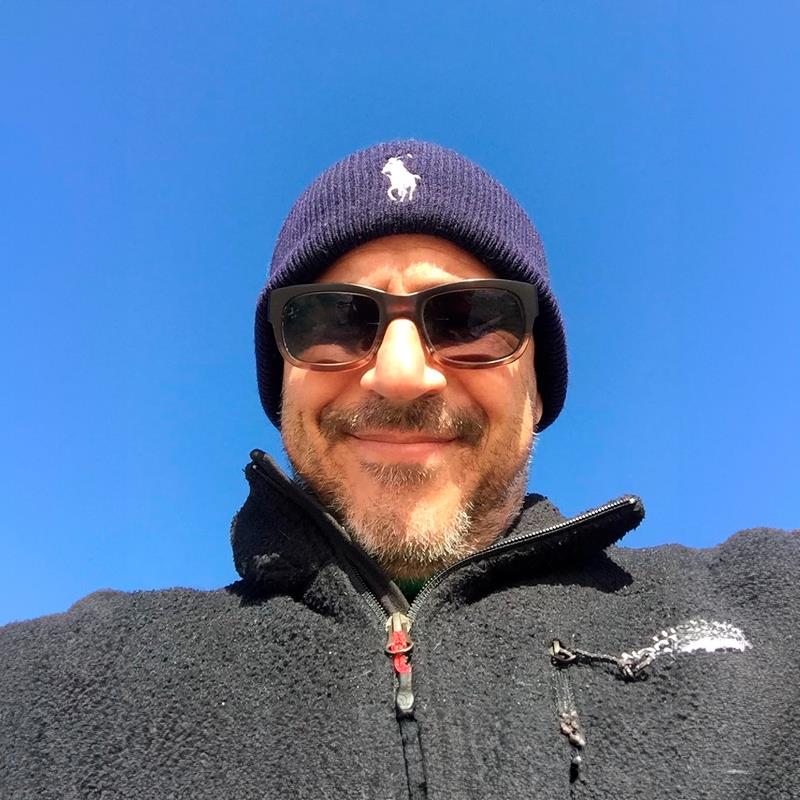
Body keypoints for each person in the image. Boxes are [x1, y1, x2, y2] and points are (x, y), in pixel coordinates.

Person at [1, 140, 797, 799]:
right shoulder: (53, 691)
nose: (401, 374)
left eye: (471, 319)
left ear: (539, 384)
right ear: (281, 381)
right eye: (334, 319)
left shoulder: (772, 617)